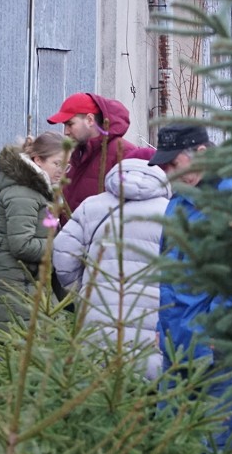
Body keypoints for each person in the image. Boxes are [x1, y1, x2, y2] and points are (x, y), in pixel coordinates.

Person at [154, 124, 232, 450]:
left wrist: (218, 329)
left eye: (173, 165)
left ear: (201, 153)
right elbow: (168, 269)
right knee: (169, 442)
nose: (169, 173)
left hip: (213, 346)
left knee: (213, 446)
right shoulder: (178, 202)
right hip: (174, 346)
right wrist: (161, 325)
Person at [53, 146, 170, 379]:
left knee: (96, 388)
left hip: (97, 312)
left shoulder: (91, 206)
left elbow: (62, 253)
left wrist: (81, 291)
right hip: (150, 318)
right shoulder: (171, 212)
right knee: (147, 389)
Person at [0, 131, 66, 327]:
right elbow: (22, 244)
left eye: (66, 165)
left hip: (30, 279)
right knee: (17, 346)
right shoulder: (22, 193)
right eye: (57, 163)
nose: (62, 171)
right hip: (14, 281)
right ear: (38, 160)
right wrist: (63, 246)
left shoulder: (39, 192)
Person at [46, 92, 134, 218]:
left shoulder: (123, 153)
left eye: (70, 124)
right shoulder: (77, 156)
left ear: (90, 120)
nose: (65, 132)